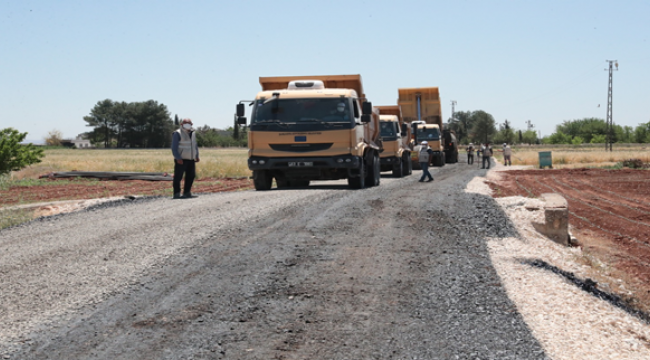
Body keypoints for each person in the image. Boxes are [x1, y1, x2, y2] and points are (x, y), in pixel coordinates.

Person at [171, 118, 200, 199]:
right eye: (185, 123)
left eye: (189, 123)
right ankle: (176, 193)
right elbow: (174, 147)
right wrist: (178, 158)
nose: (187, 124)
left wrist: (196, 155)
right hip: (181, 159)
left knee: (191, 176)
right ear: (181, 124)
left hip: (191, 159)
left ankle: (187, 192)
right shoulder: (177, 133)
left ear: (192, 124)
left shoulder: (193, 133)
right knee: (178, 177)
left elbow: (195, 145)